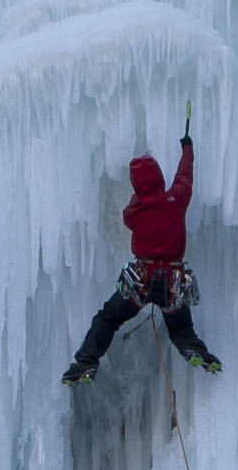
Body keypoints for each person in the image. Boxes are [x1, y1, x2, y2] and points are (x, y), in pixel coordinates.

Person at [61, 130, 221, 381]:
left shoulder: (133, 212)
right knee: (181, 327)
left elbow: (135, 211)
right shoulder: (176, 200)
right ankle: (194, 350)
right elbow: (184, 177)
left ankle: (86, 362)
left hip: (141, 280)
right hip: (173, 282)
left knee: (108, 318)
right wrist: (187, 148)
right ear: (159, 177)